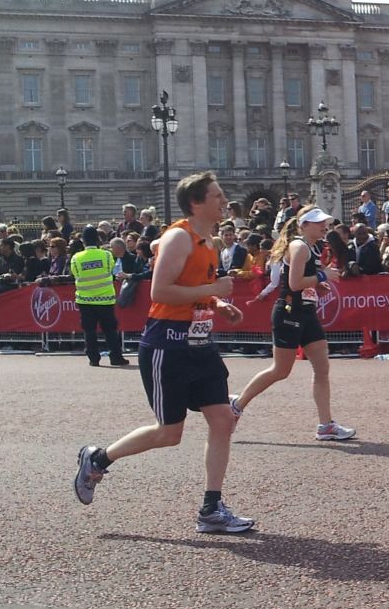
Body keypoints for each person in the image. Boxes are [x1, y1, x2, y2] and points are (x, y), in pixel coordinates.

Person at [71, 171, 255, 534]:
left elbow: (193, 289)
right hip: (167, 346)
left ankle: (211, 507)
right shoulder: (177, 238)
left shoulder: (209, 241)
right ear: (197, 202)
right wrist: (214, 287)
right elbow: (160, 292)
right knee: (170, 433)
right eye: (217, 196)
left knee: (223, 419)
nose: (224, 201)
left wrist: (216, 303)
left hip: (200, 344)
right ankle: (99, 458)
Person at [231, 208, 355, 440]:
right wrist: (322, 277)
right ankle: (237, 404)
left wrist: (317, 283)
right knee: (280, 370)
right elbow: (295, 283)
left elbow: (302, 280)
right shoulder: (299, 246)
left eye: (324, 223)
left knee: (322, 368)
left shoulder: (312, 247)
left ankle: (325, 425)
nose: (324, 226)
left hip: (307, 312)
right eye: (319, 223)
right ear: (304, 225)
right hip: (290, 312)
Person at [70, 226, 127, 368]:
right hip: (105, 299)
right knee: (110, 330)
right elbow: (110, 270)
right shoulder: (107, 255)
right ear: (98, 239)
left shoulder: (76, 258)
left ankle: (94, 359)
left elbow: (76, 274)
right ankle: (116, 357)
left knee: (89, 330)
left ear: (83, 241)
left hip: (85, 299)